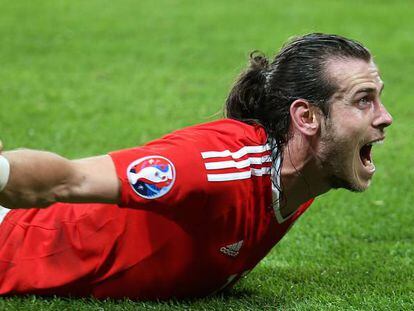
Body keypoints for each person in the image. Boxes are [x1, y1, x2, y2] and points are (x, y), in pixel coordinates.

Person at [0, 33, 392, 300]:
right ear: (306, 117)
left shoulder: (303, 173)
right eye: (363, 100)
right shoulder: (215, 167)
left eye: (379, 98)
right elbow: (71, 178)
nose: (385, 117)